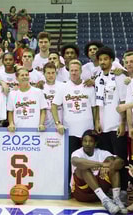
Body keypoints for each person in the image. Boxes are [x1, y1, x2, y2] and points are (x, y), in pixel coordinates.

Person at [52, 59, 100, 187]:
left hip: (87, 130)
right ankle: (69, 187)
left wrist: (96, 124)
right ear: (68, 71)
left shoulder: (88, 86)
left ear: (81, 71)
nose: (74, 73)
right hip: (71, 130)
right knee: (70, 161)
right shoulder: (63, 87)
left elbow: (95, 107)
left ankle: (90, 187)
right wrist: (58, 123)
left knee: (88, 160)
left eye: (76, 70)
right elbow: (54, 106)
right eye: (71, 70)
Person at [94, 47, 129, 199]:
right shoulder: (97, 78)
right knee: (108, 159)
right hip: (103, 125)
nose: (103, 62)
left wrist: (122, 123)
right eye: (100, 59)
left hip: (116, 124)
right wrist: (97, 121)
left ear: (111, 60)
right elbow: (97, 103)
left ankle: (123, 190)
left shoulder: (119, 77)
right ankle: (111, 188)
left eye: (105, 59)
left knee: (120, 159)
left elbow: (122, 101)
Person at [71, 130, 126, 215]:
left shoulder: (101, 152)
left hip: (99, 192)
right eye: (85, 141)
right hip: (82, 193)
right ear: (82, 142)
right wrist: (101, 164)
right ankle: (105, 200)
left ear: (95, 143)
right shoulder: (77, 153)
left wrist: (110, 167)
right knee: (83, 167)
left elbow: (120, 162)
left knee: (113, 164)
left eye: (90, 141)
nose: (87, 144)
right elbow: (75, 161)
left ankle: (116, 199)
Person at [7, 67, 47, 131]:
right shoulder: (12, 94)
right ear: (17, 78)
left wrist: (41, 124)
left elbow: (43, 110)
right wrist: (11, 123)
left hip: (35, 130)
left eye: (26, 75)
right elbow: (10, 112)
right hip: (18, 130)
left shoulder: (38, 92)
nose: (25, 77)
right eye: (22, 75)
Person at [42, 62, 64, 128]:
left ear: (56, 73)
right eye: (48, 73)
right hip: (45, 120)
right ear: (44, 74)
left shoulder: (63, 86)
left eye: (53, 73)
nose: (51, 75)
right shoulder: (40, 87)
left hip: (60, 117)